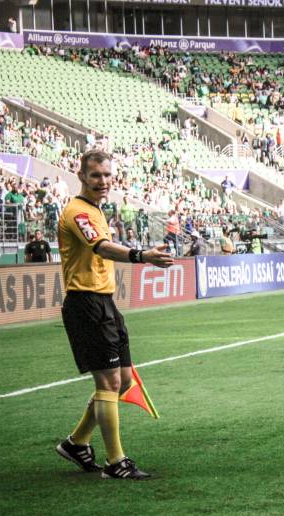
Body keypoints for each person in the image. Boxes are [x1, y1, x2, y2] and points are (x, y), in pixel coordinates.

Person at [54, 150, 173, 480]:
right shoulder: (77, 212)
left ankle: (76, 443)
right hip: (86, 303)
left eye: (107, 175)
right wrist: (141, 255)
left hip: (104, 303)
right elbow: (102, 248)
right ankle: (115, 462)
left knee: (121, 381)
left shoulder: (93, 210)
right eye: (96, 175)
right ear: (81, 177)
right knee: (107, 382)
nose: (103, 181)